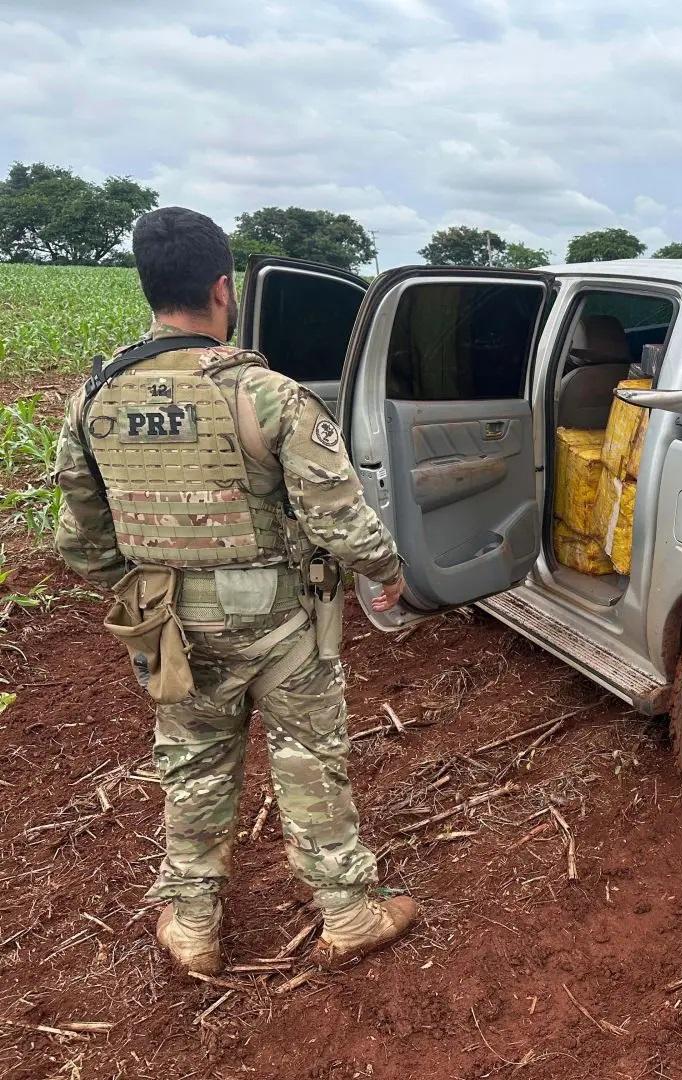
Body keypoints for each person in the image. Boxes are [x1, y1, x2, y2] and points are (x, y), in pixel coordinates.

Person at [51, 206, 417, 975]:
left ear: (149, 287)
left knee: (192, 761)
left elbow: (80, 543)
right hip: (281, 621)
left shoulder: (94, 398)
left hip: (170, 628)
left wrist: (152, 587)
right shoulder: (268, 394)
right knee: (310, 758)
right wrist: (390, 574)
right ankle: (348, 912)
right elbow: (342, 523)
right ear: (225, 290)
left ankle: (191, 924)